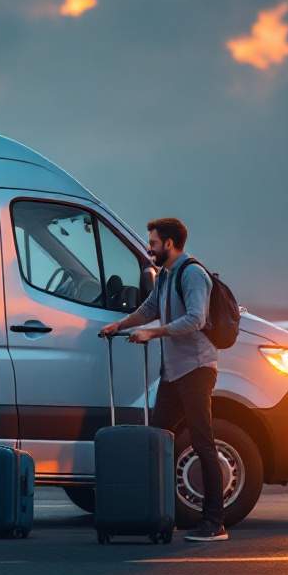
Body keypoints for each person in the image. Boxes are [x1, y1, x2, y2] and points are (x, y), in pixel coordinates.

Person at [100, 217, 227, 542]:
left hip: (196, 369)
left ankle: (214, 523)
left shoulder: (193, 274)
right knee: (158, 440)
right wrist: (121, 325)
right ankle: (160, 513)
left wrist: (153, 333)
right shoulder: (167, 275)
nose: (149, 248)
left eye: (153, 243)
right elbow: (151, 307)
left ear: (169, 243)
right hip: (173, 371)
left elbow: (196, 319)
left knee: (203, 443)